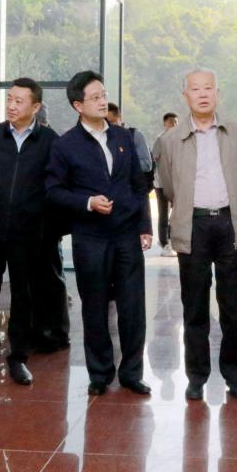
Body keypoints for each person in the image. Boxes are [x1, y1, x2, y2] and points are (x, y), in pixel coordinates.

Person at [46, 71, 153, 396]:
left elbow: (138, 184)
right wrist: (88, 202)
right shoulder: (65, 145)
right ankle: (100, 373)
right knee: (94, 306)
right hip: (90, 237)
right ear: (78, 105)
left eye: (103, 94)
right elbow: (53, 190)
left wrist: (145, 226)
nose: (102, 101)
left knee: (132, 307)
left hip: (126, 235)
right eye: (94, 97)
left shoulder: (123, 137)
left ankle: (132, 373)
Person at [154, 68, 237, 400]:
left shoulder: (236, 133)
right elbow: (169, 186)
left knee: (234, 307)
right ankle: (196, 376)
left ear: (217, 93)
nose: (203, 94)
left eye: (208, 88)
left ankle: (235, 375)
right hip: (193, 224)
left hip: (229, 222)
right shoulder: (170, 140)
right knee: (194, 307)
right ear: (186, 96)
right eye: (195, 89)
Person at [0, 77, 58, 385]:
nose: (11, 105)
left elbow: (53, 185)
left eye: (19, 101)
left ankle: (18, 355)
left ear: (35, 106)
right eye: (9, 99)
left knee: (23, 295)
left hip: (28, 233)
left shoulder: (49, 141)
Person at [31, 102, 70, 353]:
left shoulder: (52, 142)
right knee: (36, 278)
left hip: (46, 221)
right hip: (29, 222)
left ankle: (56, 332)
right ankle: (39, 330)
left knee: (50, 277)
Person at [107, 102, 153, 185]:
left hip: (132, 187)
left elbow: (147, 165)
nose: (110, 126)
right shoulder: (100, 139)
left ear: (120, 118)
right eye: (106, 123)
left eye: (112, 122)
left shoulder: (135, 135)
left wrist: (122, 164)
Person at [152, 112, 179, 257]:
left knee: (175, 213)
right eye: (171, 122)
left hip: (176, 183)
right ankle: (164, 243)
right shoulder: (160, 139)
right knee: (164, 213)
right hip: (162, 183)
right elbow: (155, 158)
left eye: (176, 122)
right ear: (165, 123)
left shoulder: (180, 139)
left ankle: (172, 240)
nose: (174, 124)